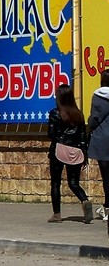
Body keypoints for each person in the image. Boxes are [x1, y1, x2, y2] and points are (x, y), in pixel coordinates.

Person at [46, 84, 94, 223]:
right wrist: (84, 154)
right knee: (73, 183)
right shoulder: (78, 114)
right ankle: (84, 200)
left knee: (55, 183)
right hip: (76, 151)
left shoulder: (55, 113)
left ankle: (57, 215)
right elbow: (83, 137)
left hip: (59, 150)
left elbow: (51, 134)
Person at [87, 69, 109, 223]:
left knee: (106, 177)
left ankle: (107, 209)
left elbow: (94, 119)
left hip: (103, 140)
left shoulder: (98, 96)